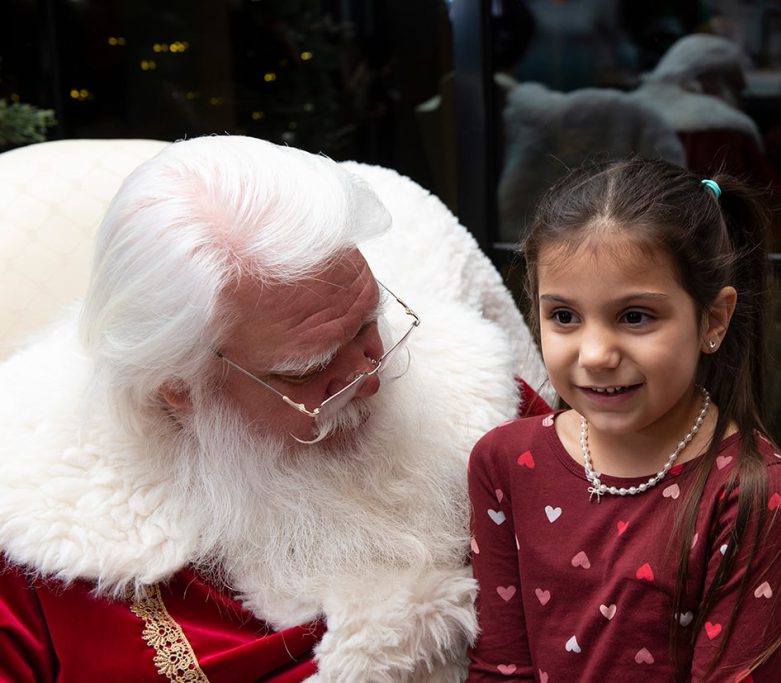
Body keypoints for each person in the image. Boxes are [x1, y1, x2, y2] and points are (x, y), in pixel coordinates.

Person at [0, 135, 550, 681]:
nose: (371, 379)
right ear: (178, 389)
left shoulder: (488, 408)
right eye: (308, 370)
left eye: (368, 326)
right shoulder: (35, 552)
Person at [467, 159, 781, 680]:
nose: (595, 354)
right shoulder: (505, 463)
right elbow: (500, 668)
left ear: (713, 320)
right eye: (563, 316)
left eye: (635, 316)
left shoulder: (751, 493)